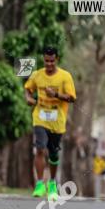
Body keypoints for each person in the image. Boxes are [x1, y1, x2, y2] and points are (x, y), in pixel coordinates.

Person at [24, 46, 76, 200]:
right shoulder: (37, 75)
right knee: (40, 148)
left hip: (57, 120)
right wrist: (28, 98)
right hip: (40, 116)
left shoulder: (65, 77)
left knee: (53, 153)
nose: (49, 64)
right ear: (43, 60)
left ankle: (52, 183)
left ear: (57, 59)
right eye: (46, 61)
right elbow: (27, 89)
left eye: (52, 61)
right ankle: (40, 183)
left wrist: (56, 94)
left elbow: (72, 98)